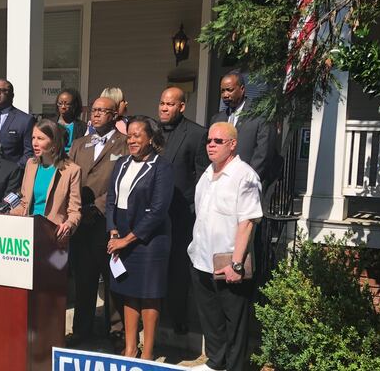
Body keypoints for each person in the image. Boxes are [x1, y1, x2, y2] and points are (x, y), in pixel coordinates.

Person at [188, 122, 263, 371]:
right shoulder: (207, 175)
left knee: (235, 323)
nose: (211, 145)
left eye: (218, 141)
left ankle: (235, 367)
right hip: (201, 260)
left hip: (228, 263)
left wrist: (237, 263)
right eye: (209, 140)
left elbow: (248, 223)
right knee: (211, 319)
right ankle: (215, 362)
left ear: (232, 144)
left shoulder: (245, 175)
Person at [106, 116, 173, 360]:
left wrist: (127, 240)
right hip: (121, 235)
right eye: (129, 135)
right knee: (129, 292)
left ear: (151, 138)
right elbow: (111, 200)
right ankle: (131, 348)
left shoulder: (161, 167)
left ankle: (148, 352)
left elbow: (158, 210)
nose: (131, 140)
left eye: (137, 135)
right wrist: (113, 231)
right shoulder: (122, 162)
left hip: (149, 241)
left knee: (149, 295)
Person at [67, 97, 128, 345]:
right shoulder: (80, 144)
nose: (97, 115)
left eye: (103, 111)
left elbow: (122, 181)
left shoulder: (124, 144)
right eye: (94, 110)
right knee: (84, 278)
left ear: (115, 115)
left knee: (111, 278)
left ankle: (115, 331)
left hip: (108, 221)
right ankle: (82, 329)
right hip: (81, 221)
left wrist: (99, 206)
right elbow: (69, 176)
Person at [157, 87, 209, 335]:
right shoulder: (152, 132)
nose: (164, 108)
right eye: (162, 103)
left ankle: (178, 316)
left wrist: (194, 208)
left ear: (181, 106)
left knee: (178, 267)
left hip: (181, 212)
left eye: (170, 104)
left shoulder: (197, 134)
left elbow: (201, 176)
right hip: (153, 212)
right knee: (155, 265)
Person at [11, 119, 82, 240]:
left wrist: (69, 225)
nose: (34, 143)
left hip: (53, 234)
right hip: (27, 231)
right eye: (33, 138)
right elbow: (24, 201)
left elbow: (74, 211)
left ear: (54, 142)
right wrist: (8, 216)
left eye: (40, 138)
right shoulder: (31, 164)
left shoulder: (72, 170)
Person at [210, 71, 278, 185]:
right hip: (221, 183)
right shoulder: (217, 119)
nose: (225, 95)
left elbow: (263, 154)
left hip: (248, 184)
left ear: (242, 89)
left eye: (229, 90)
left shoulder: (260, 116)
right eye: (222, 91)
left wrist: (247, 180)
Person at [0, 78, 35, 168]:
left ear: (12, 95)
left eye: (2, 90)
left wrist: (13, 170)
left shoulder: (25, 120)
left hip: (12, 175)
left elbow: (29, 152)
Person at [54, 88, 87, 153]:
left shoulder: (83, 127)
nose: (63, 106)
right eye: (60, 103)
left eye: (67, 104)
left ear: (75, 105)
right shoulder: (50, 124)